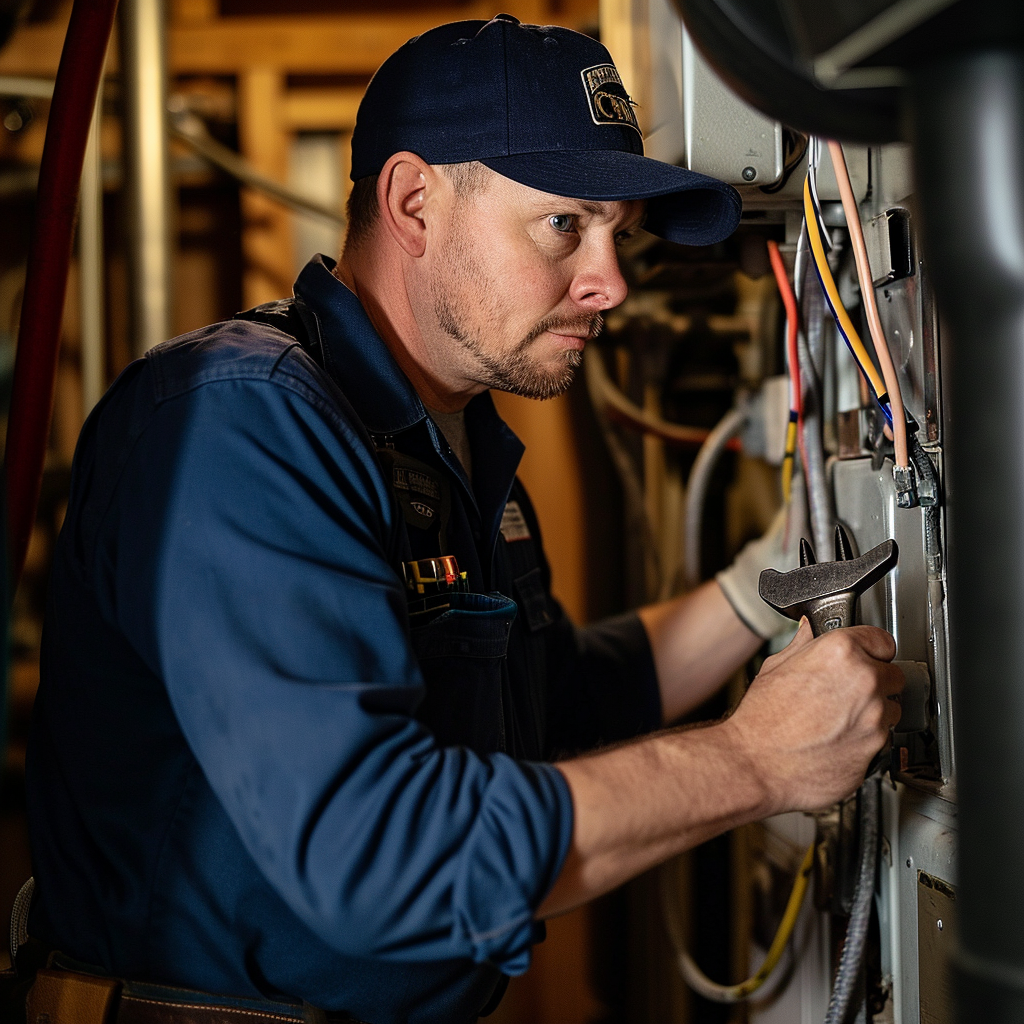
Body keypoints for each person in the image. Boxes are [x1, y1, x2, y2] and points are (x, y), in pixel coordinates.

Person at [21, 14, 903, 1024]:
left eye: (615, 232)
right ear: (412, 202)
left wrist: (764, 578)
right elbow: (380, 858)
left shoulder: (447, 438)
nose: (609, 282)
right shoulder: (240, 421)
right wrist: (753, 761)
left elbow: (559, 703)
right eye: (564, 224)